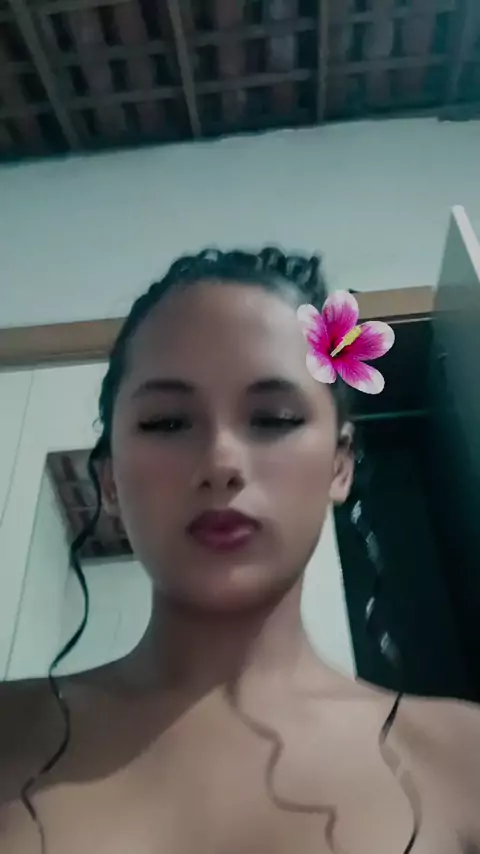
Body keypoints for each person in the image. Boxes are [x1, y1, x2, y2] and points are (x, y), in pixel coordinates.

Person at [1, 248, 479, 854]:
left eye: (273, 418)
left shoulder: (465, 763)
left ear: (340, 464)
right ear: (110, 481)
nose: (222, 462)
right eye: (167, 423)